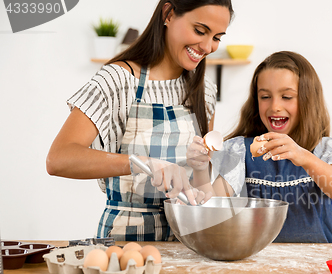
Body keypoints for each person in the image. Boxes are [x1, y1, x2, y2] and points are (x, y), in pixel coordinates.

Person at [46, 0, 233, 241]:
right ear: (168, 13)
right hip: (126, 246)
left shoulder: (204, 91)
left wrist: (202, 173)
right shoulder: (118, 81)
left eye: (217, 37)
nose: (208, 46)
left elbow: (200, 185)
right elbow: (59, 158)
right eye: (200, 30)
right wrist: (143, 164)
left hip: (187, 245)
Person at [191, 51, 332, 243]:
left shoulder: (325, 149)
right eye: (265, 96)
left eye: (287, 96)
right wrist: (200, 170)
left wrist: (304, 156)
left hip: (315, 266)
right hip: (260, 264)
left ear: (308, 100)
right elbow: (211, 204)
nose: (275, 106)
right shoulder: (243, 151)